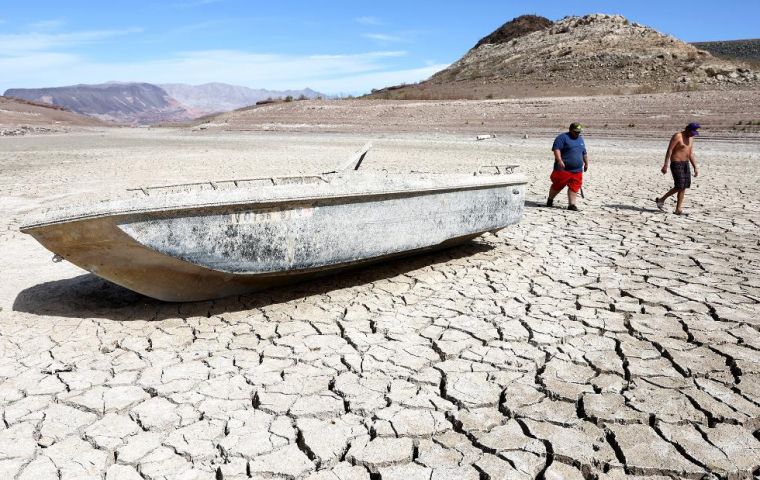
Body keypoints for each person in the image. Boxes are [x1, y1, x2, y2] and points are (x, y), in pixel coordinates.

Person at [655, 123, 700, 215]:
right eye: (691, 132)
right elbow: (670, 150)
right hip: (676, 163)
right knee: (679, 185)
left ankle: (678, 209)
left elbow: (690, 153)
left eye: (694, 133)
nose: (692, 134)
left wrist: (695, 167)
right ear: (686, 129)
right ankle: (662, 199)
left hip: (685, 164)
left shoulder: (691, 138)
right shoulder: (677, 136)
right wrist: (665, 165)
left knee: (684, 187)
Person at [547, 122, 588, 211]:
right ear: (570, 130)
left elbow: (584, 152)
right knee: (557, 185)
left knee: (574, 187)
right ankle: (550, 199)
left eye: (578, 132)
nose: (577, 133)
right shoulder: (562, 138)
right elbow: (556, 149)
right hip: (563, 169)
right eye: (575, 131)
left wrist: (586, 163)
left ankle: (572, 205)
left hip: (577, 170)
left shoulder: (580, 139)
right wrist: (559, 160)